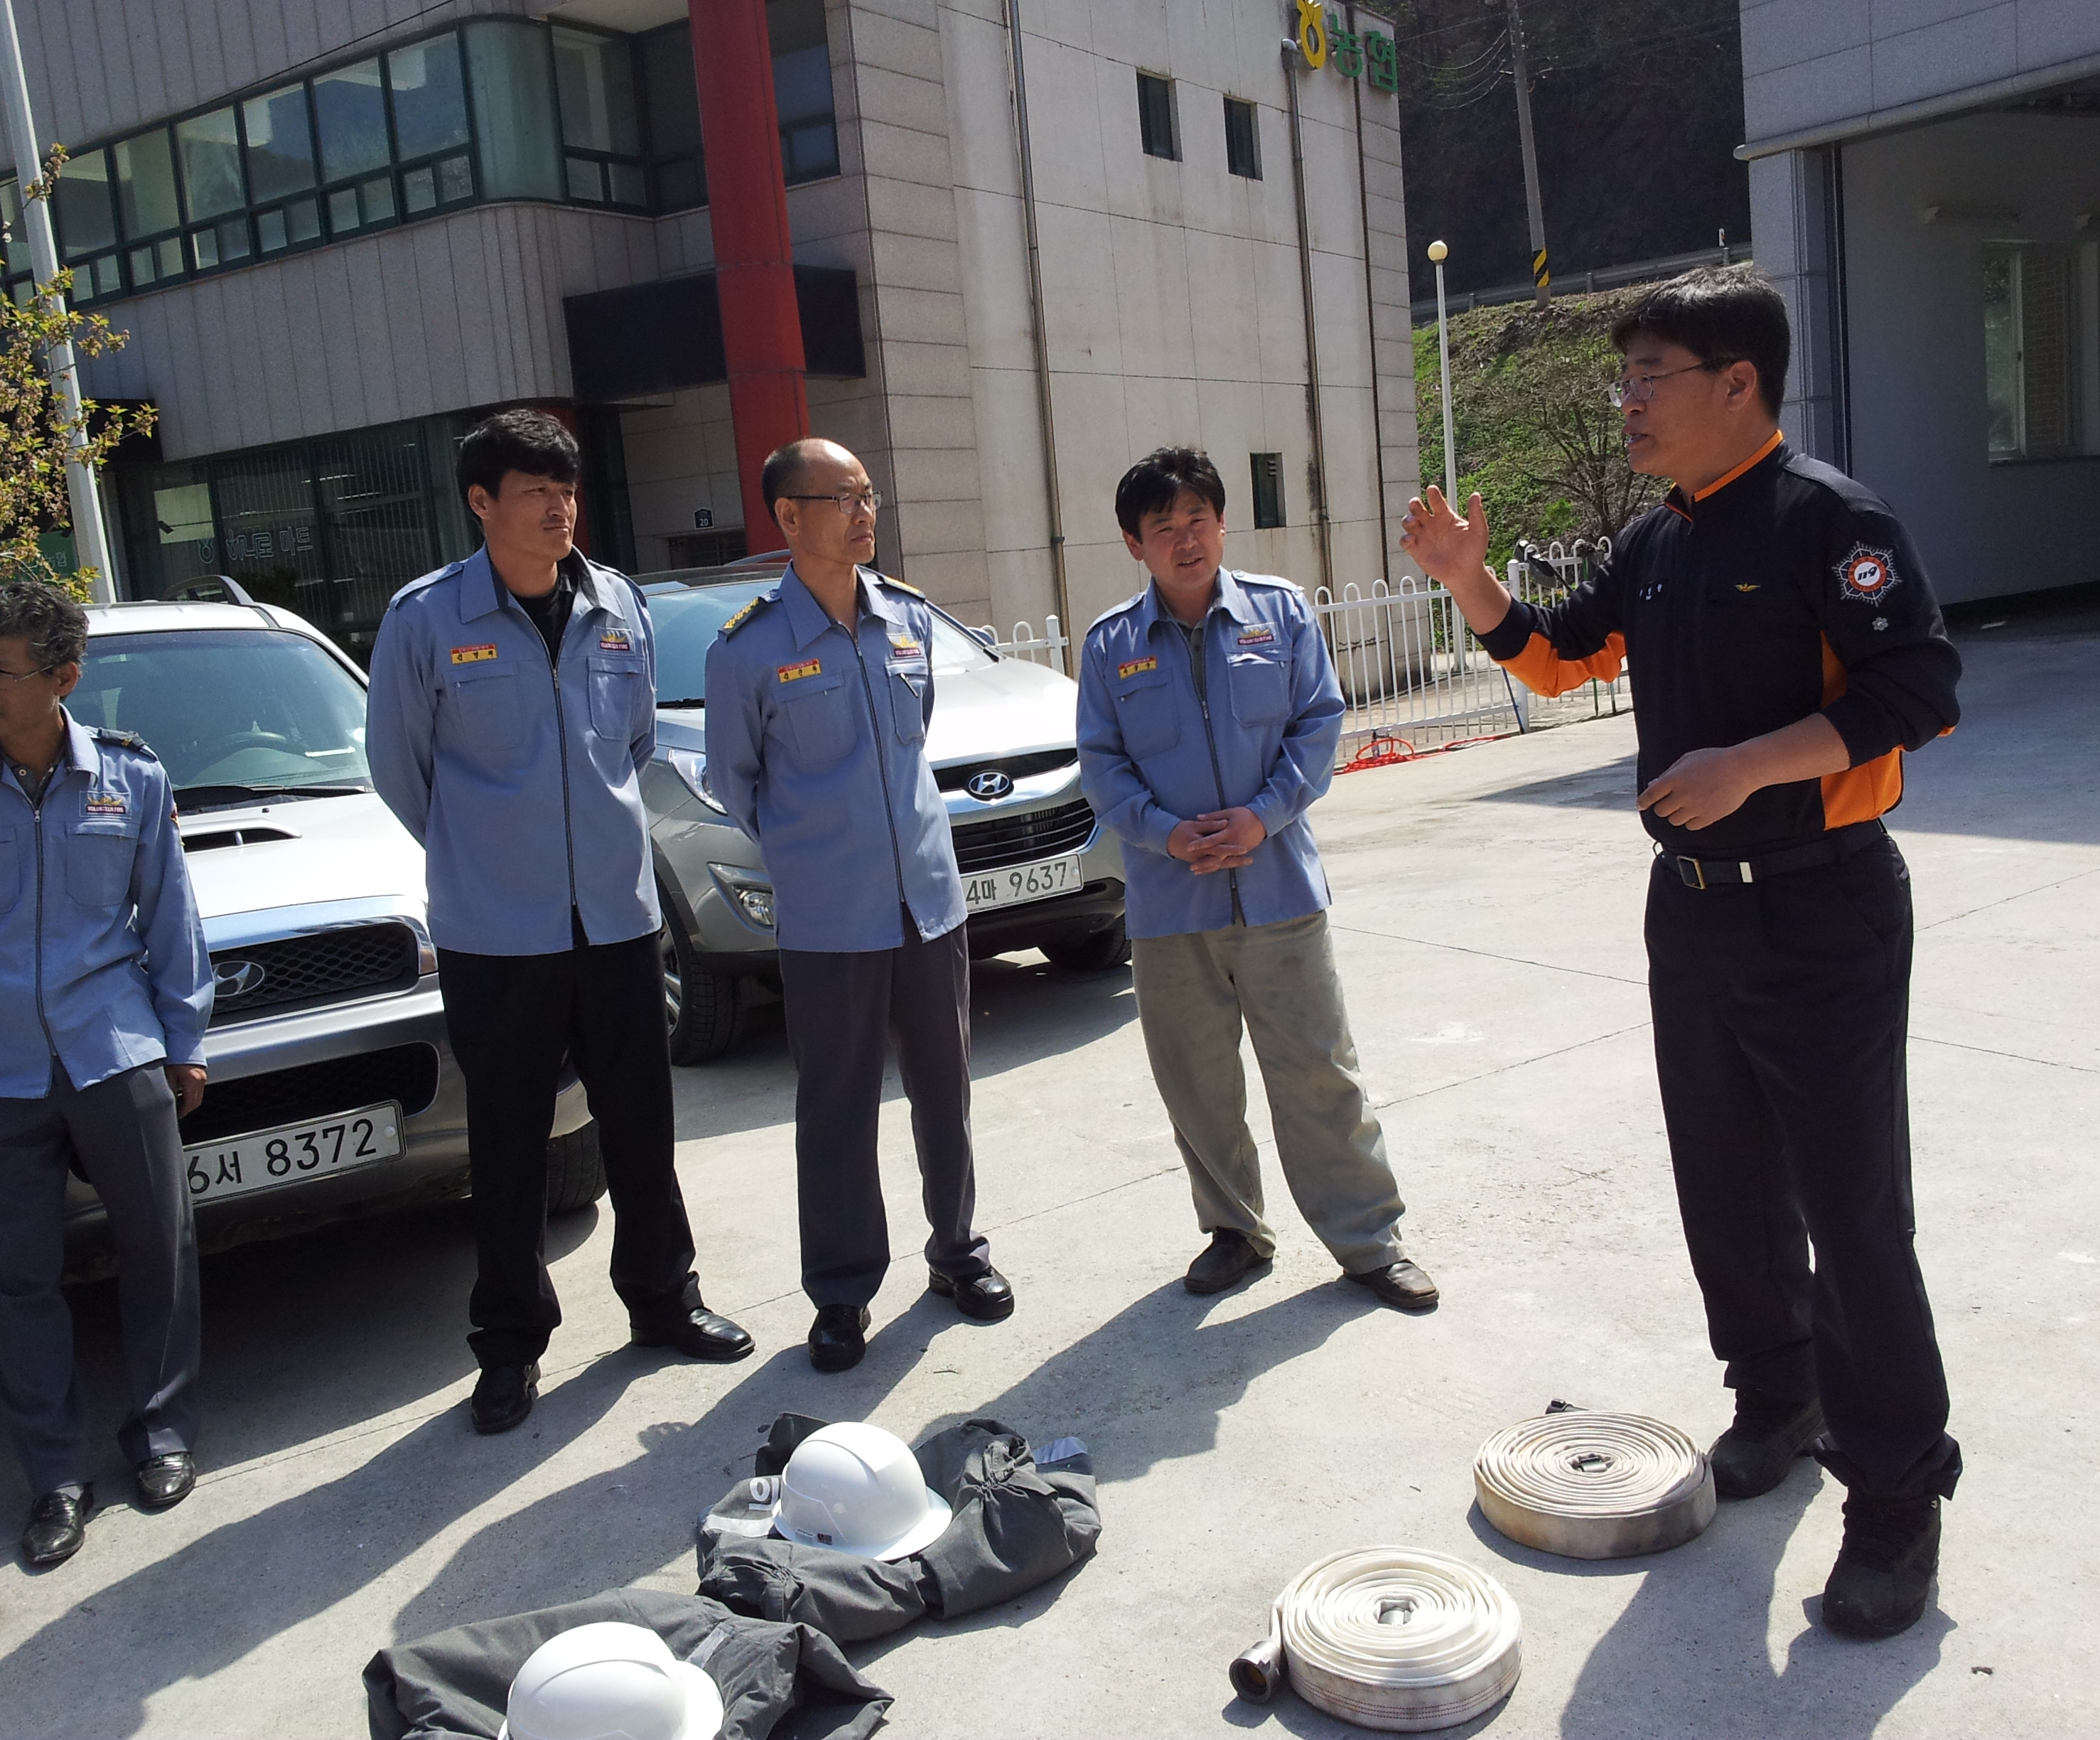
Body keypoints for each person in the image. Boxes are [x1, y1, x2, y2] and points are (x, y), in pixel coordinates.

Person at [1399, 267, 1963, 1638]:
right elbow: (1560, 656)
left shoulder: (1829, 520)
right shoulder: (1657, 538)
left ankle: (1894, 1496)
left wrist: (1747, 764)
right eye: (1626, 377)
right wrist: (1469, 580)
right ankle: (1775, 1391)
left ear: (1736, 383)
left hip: (1821, 909)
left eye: (1650, 375)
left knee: (1850, 1207)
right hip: (1692, 907)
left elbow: (1918, 690)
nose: (1628, 401)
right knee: (1722, 1175)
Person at [369, 409, 753, 1435]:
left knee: (641, 1125)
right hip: (498, 935)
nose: (559, 509)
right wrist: (491, 857)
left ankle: (663, 1300)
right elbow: (401, 771)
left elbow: (630, 748)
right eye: (536, 492)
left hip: (618, 920)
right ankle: (509, 1345)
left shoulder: (616, 603)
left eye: (568, 489)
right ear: (480, 502)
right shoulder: (426, 618)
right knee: (508, 1144)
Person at [0, 580, 212, 1567]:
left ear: (63, 678)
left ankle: (160, 1433)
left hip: (114, 1052)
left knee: (159, 1250)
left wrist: (184, 1040)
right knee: (16, 1280)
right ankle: (55, 1477)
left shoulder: (131, 776)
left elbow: (171, 916)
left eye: (1, 671)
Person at [1075, 447, 1438, 1312]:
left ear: (1222, 523)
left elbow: (1318, 723)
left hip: (1279, 892)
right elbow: (1102, 764)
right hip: (1171, 908)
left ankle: (1369, 1242)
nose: (1185, 540)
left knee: (1320, 1074)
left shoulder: (1279, 614)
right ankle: (1234, 1231)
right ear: (1134, 544)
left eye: (1198, 520)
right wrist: (1166, 834)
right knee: (1197, 1085)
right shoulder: (1110, 645)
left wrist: (1263, 815)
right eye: (1164, 527)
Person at [701, 437, 1010, 1374]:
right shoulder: (748, 649)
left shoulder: (906, 618)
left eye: (868, 495)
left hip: (927, 902)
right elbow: (735, 781)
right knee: (836, 1105)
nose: (864, 513)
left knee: (945, 1087)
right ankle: (841, 1294)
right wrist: (815, 851)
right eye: (842, 499)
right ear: (788, 517)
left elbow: (914, 743)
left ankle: (958, 1252)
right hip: (830, 915)